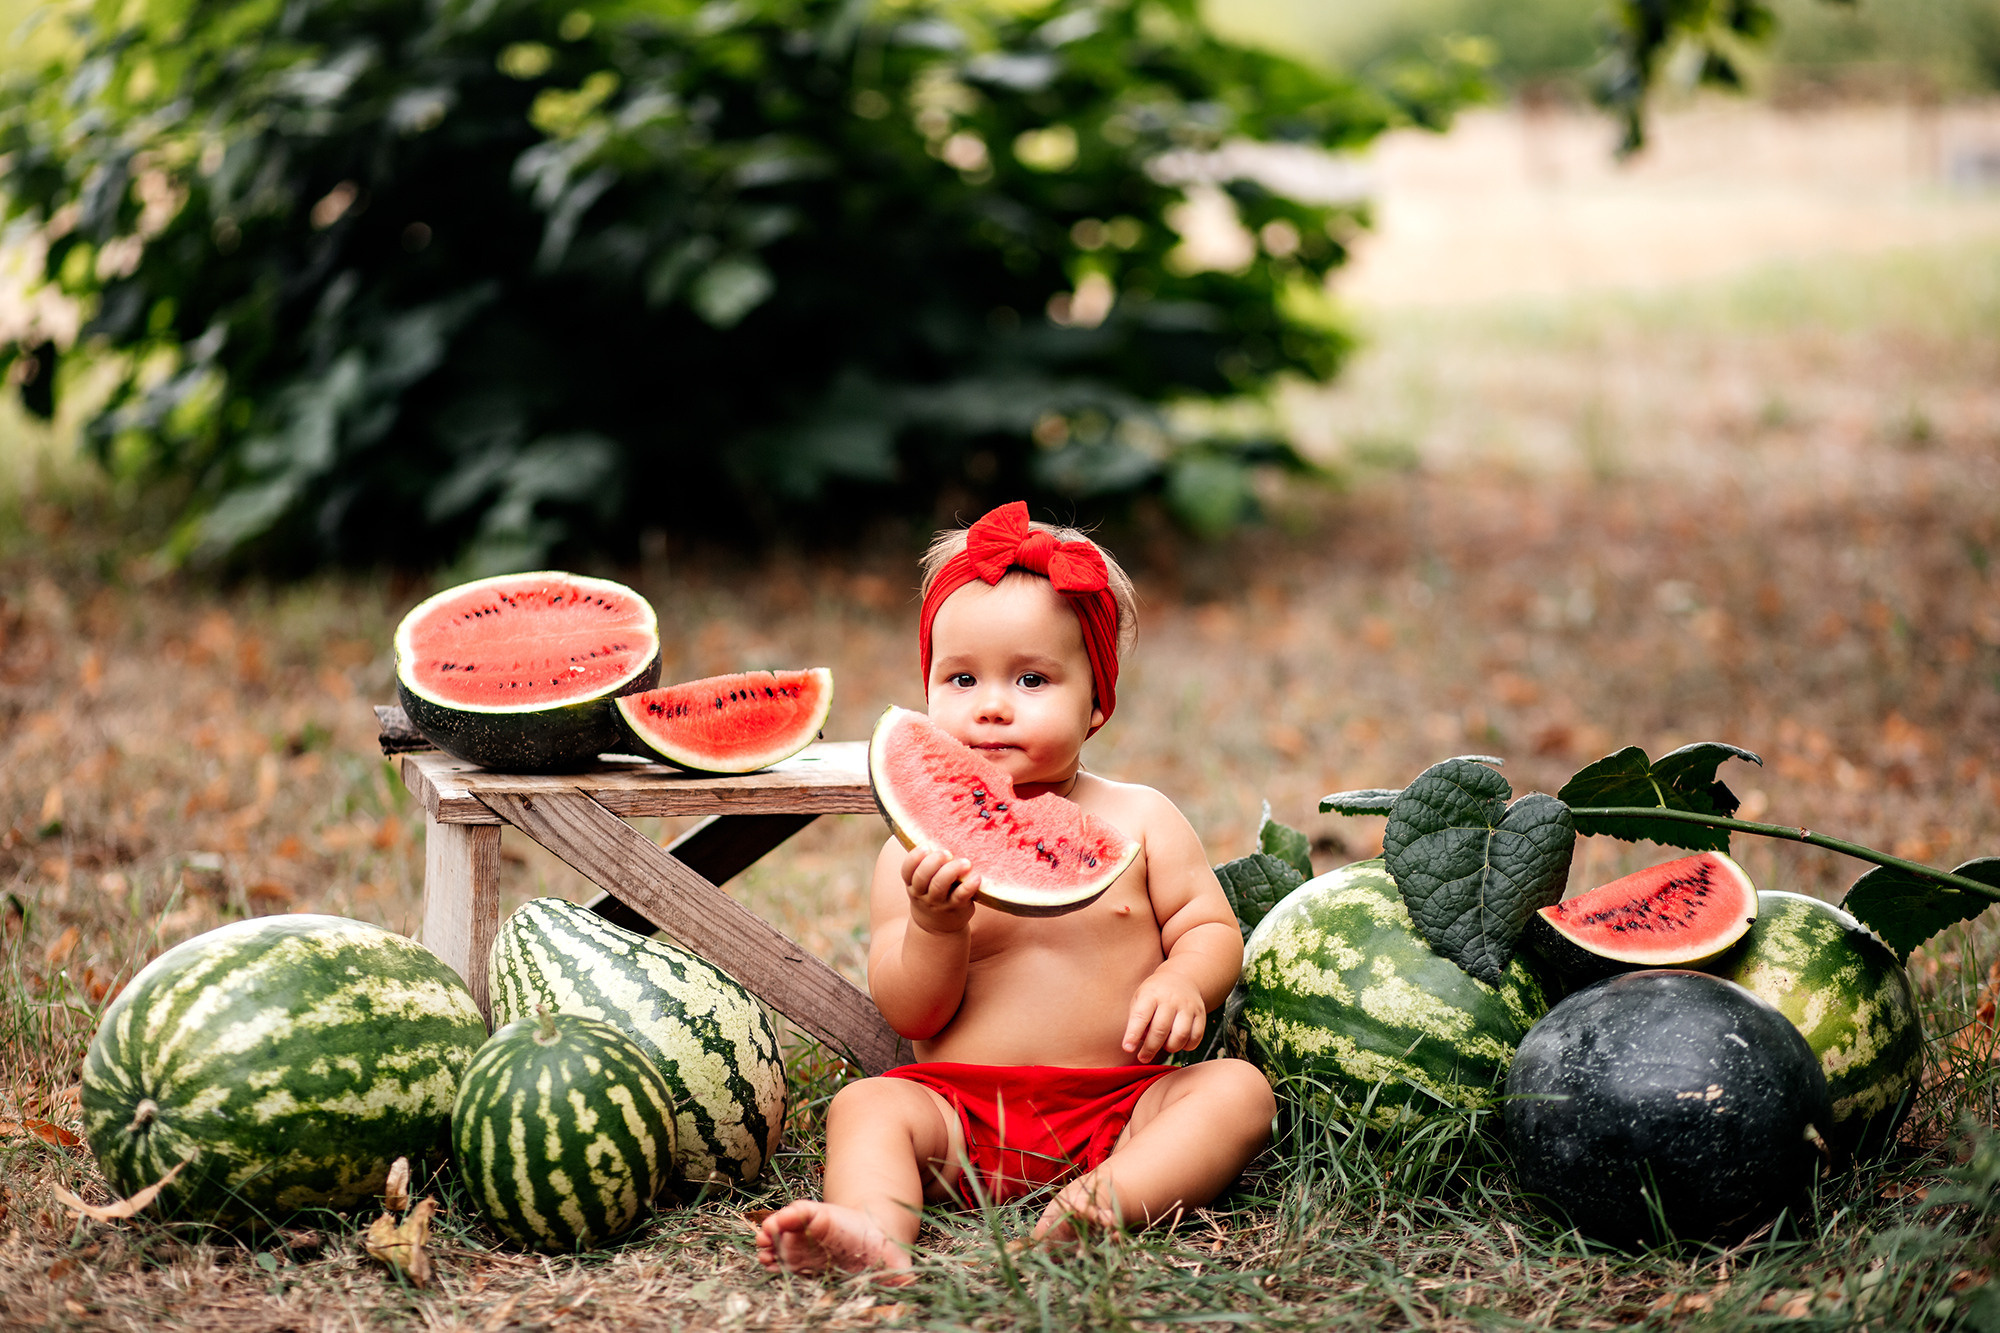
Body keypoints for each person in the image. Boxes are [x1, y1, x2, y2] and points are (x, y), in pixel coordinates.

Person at [757, 501, 1275, 1279]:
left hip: (1123, 1105)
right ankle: (871, 1233)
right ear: (927, 688)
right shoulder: (910, 850)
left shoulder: (1143, 817)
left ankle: (1108, 1199)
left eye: (1032, 678)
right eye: (961, 677)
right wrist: (936, 926)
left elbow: (1210, 927)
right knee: (865, 1106)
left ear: (1097, 701)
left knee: (1238, 1091)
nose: (992, 704)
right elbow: (910, 1013)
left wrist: (1183, 978)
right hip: (959, 1115)